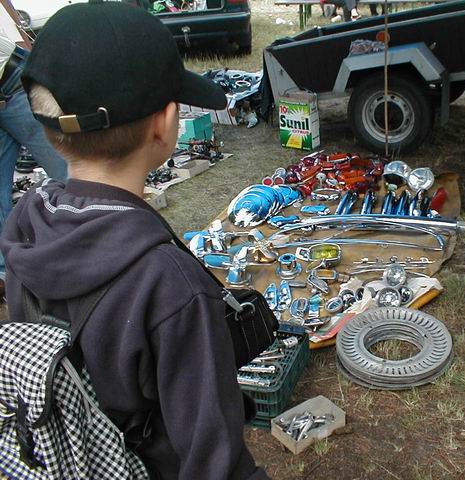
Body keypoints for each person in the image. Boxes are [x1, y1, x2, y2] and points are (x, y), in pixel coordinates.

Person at [0, 1, 267, 478]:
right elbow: (214, 462)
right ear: (165, 126)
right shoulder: (171, 285)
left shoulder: (26, 221)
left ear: (46, 126)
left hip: (74, 456)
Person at [0, 0, 67, 299]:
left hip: (13, 82)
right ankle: (8, 275)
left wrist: (23, 38)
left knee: (68, 172)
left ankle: (91, 250)